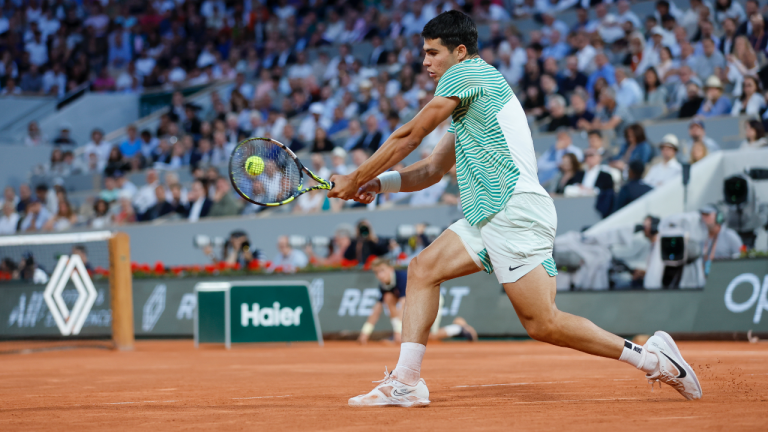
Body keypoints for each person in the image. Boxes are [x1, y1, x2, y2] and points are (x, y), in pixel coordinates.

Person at [329, 11, 701, 407]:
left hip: (511, 208)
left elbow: (410, 135)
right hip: (488, 213)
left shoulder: (468, 73)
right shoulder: (470, 100)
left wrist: (354, 176)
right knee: (422, 270)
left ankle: (655, 361)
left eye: (432, 53)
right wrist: (378, 183)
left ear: (459, 52)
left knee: (544, 323)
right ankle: (406, 382)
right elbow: (433, 170)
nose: (426, 62)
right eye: (424, 53)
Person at [358, 258, 477, 344]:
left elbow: (404, 304)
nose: (380, 275)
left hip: (430, 298)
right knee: (388, 298)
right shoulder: (383, 285)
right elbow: (376, 310)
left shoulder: (402, 278)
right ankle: (398, 335)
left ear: (390, 269)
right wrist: (365, 333)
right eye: (376, 272)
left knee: (431, 336)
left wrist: (399, 333)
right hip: (417, 304)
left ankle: (459, 328)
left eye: (382, 270)